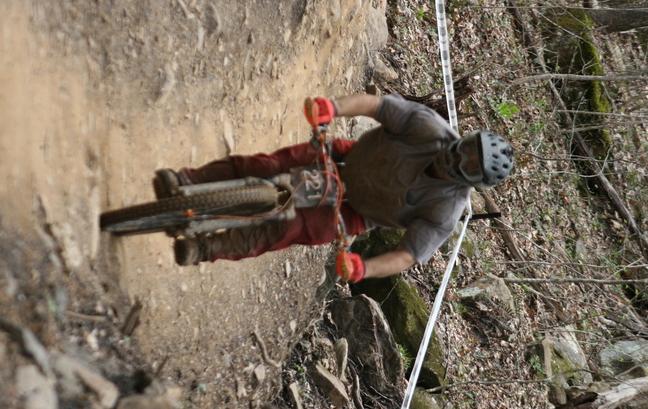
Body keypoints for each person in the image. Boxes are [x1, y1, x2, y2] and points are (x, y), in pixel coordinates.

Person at [153, 93, 514, 282]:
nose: (461, 157)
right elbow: (377, 106)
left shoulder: (446, 211)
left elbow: (407, 256)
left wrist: (363, 269)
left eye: (469, 164)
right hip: (344, 158)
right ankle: (188, 181)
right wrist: (332, 108)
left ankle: (205, 247)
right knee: (264, 166)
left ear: (472, 181)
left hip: (352, 213)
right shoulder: (428, 127)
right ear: (467, 137)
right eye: (468, 148)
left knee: (284, 229)